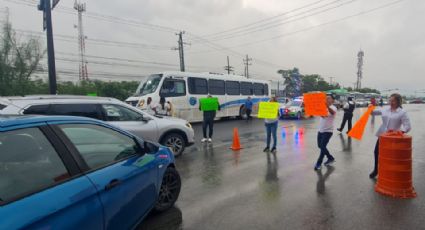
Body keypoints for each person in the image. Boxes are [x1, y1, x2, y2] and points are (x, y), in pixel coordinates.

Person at [369, 93, 411, 178]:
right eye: (390, 100)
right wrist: (370, 107)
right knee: (377, 152)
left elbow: (408, 126)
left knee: (392, 156)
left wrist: (400, 132)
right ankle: (376, 170)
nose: (391, 102)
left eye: (393, 101)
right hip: (383, 136)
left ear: (398, 102)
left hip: (394, 138)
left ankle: (391, 172)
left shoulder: (402, 112)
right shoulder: (385, 109)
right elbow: (373, 113)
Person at [314, 95, 337, 171]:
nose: (327, 98)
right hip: (321, 130)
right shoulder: (323, 107)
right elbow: (323, 116)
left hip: (328, 131)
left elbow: (332, 113)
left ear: (333, 100)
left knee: (323, 147)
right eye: (326, 98)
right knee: (320, 146)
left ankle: (318, 163)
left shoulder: (333, 107)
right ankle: (330, 158)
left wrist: (327, 106)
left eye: (329, 98)